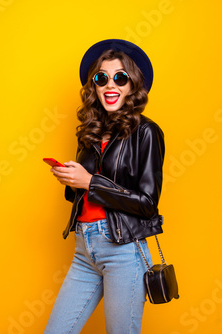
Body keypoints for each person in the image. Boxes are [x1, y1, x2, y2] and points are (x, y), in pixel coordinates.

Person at [44, 39, 165, 334]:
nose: (110, 85)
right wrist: (71, 180)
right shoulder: (90, 131)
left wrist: (90, 182)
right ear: (94, 87)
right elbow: (83, 194)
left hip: (123, 251)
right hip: (85, 249)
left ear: (132, 85)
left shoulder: (147, 132)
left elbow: (148, 203)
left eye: (120, 77)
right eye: (102, 78)